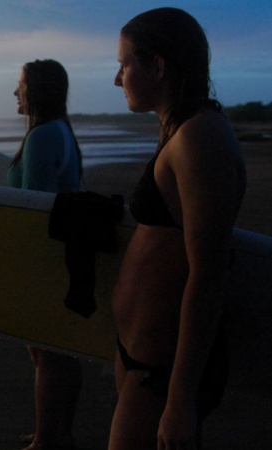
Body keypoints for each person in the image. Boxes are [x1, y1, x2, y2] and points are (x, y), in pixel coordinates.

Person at [110, 8, 246, 450]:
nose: (117, 79)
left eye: (124, 64)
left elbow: (207, 274)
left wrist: (180, 399)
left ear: (158, 66)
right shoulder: (176, 129)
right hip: (142, 356)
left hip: (164, 369)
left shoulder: (199, 138)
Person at [8, 59, 84, 450]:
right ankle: (59, 434)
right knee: (61, 352)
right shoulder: (61, 131)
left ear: (36, 89)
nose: (15, 92)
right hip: (65, 251)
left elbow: (32, 207)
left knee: (46, 352)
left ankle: (46, 441)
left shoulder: (41, 137)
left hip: (46, 256)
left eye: (20, 84)